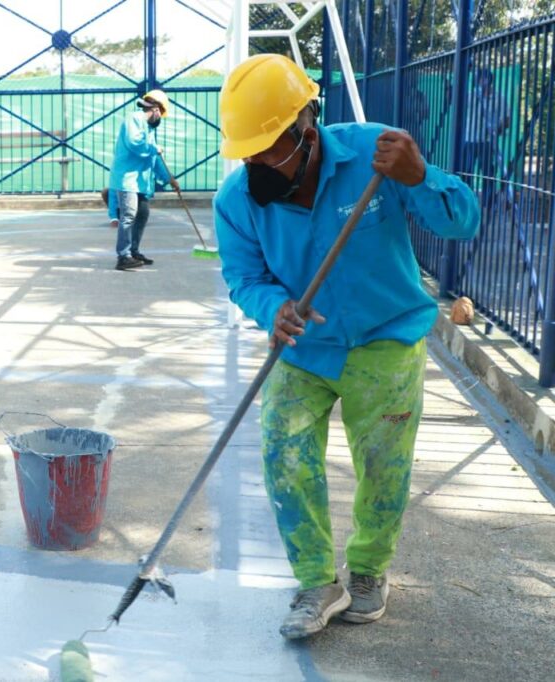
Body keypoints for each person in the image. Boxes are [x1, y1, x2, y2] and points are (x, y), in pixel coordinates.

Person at [214, 54, 480, 640]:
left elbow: (463, 222)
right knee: (283, 453)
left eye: (268, 146)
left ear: (306, 128)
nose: (256, 161)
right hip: (304, 349)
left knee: (383, 467)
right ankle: (316, 580)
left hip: (385, 342)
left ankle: (367, 572)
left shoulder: (375, 157)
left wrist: (421, 176)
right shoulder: (238, 200)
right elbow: (244, 278)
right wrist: (271, 309)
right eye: (248, 150)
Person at [108, 89, 179, 270]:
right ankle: (123, 256)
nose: (161, 118)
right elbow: (135, 144)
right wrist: (154, 148)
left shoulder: (148, 128)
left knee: (143, 214)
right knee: (129, 216)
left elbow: (153, 159)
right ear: (156, 109)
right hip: (127, 179)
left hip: (139, 182)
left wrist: (169, 179)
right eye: (161, 113)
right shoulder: (134, 118)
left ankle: (134, 251)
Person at [463, 68, 511, 210]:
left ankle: (489, 203)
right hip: (469, 140)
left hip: (488, 141)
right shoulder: (470, 96)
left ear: (490, 80)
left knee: (488, 173)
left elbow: (507, 119)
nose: (481, 82)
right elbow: (455, 103)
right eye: (479, 79)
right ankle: (466, 201)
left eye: (484, 79)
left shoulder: (498, 98)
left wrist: (498, 129)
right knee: (466, 171)